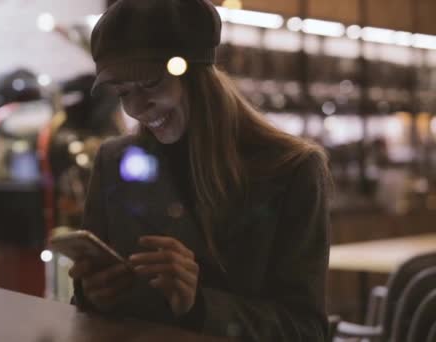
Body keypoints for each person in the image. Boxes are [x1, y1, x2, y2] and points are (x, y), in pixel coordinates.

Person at [68, 0, 332, 340]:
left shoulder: (292, 170)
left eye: (150, 85)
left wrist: (200, 306)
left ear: (198, 75)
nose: (135, 109)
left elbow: (307, 330)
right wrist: (94, 295)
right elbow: (88, 310)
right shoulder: (112, 160)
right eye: (122, 92)